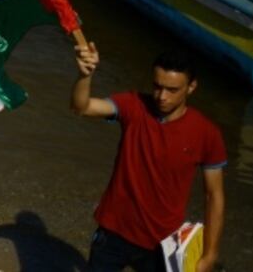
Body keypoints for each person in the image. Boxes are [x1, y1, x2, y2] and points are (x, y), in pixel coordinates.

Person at [71, 44, 226, 272]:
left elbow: (214, 196)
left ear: (191, 87)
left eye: (172, 90)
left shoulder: (207, 134)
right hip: (112, 233)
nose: (162, 96)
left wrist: (210, 254)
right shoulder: (134, 106)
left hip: (164, 245)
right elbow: (81, 107)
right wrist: (85, 76)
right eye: (157, 87)